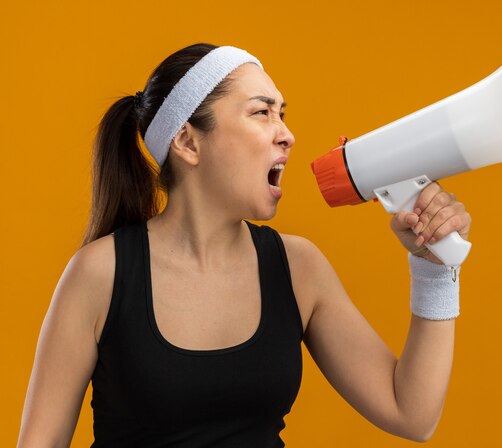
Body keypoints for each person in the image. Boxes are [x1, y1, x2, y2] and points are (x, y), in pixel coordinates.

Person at [17, 44, 472, 447]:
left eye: (283, 114)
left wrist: (433, 267)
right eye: (261, 112)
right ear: (187, 143)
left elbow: (411, 414)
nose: (287, 134)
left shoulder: (297, 267)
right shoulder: (100, 273)